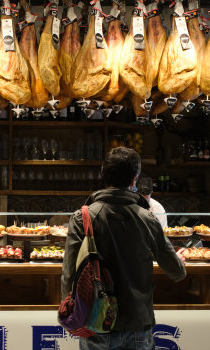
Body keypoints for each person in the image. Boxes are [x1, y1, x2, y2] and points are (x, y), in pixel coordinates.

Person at [62, 147, 186, 350]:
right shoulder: (148, 218)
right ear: (134, 180)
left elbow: (69, 273)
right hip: (137, 322)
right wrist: (179, 262)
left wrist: (70, 311)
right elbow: (177, 272)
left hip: (96, 321)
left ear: (104, 175)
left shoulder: (82, 217)